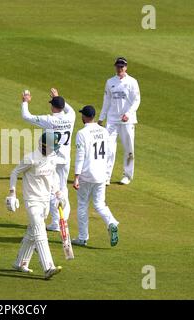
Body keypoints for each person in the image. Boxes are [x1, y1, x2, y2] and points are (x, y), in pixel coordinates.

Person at [6, 132, 66, 280]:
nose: (54, 149)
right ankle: (48, 267)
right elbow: (14, 173)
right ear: (43, 145)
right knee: (40, 232)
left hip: (45, 201)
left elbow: (53, 176)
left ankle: (20, 263)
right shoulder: (31, 158)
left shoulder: (52, 157)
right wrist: (12, 193)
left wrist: (58, 194)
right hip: (32, 200)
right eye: (52, 147)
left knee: (32, 232)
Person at [21, 89, 75, 232]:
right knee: (63, 188)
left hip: (52, 160)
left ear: (53, 107)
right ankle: (64, 217)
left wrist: (25, 102)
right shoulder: (72, 116)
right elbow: (68, 108)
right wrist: (58, 97)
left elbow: (26, 116)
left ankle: (57, 222)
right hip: (65, 159)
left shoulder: (49, 120)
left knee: (52, 190)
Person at [72, 105, 119, 247]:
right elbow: (110, 153)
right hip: (101, 174)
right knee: (99, 204)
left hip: (86, 174)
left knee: (82, 205)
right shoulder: (104, 131)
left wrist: (76, 176)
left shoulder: (82, 133)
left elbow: (80, 156)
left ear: (84, 117)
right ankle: (111, 222)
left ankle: (82, 237)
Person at [98, 57, 141, 185]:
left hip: (127, 120)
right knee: (109, 148)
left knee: (129, 148)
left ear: (126, 68)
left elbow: (137, 100)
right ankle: (106, 176)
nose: (120, 69)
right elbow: (106, 101)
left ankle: (127, 175)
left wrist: (128, 113)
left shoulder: (132, 82)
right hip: (112, 119)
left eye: (122, 66)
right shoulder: (110, 81)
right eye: (118, 66)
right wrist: (101, 118)